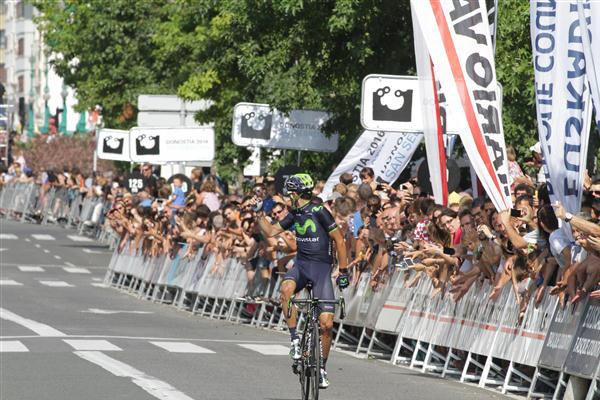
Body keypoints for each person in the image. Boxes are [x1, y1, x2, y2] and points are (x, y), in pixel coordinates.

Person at [254, 173, 348, 389]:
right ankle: (295, 339)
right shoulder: (294, 213)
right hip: (302, 267)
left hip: (322, 270)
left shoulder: (320, 211)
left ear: (296, 194)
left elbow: (340, 241)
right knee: (286, 288)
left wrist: (343, 272)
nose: (288, 198)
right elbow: (270, 231)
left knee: (326, 325)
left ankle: (322, 368)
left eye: (289, 194)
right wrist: (258, 213)